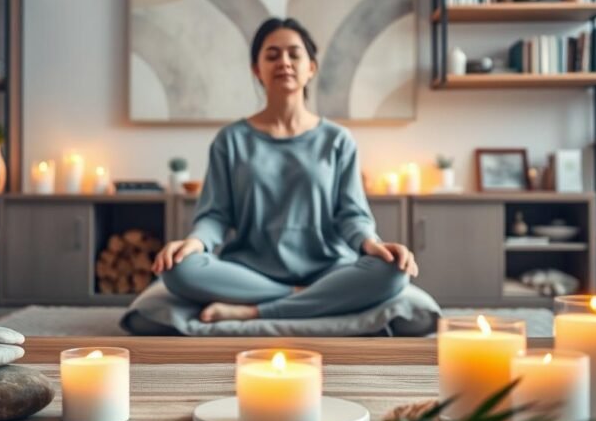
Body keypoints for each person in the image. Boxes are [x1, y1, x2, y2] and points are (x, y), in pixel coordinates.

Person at [151, 17, 419, 323]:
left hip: (327, 269)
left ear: (311, 67)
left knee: (392, 273)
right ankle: (306, 297)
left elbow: (351, 214)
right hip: (249, 271)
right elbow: (215, 216)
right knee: (178, 270)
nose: (284, 62)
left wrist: (372, 244)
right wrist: (194, 243)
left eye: (294, 54)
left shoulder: (337, 140)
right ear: (257, 70)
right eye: (272, 54)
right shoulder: (231, 140)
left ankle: (256, 311)